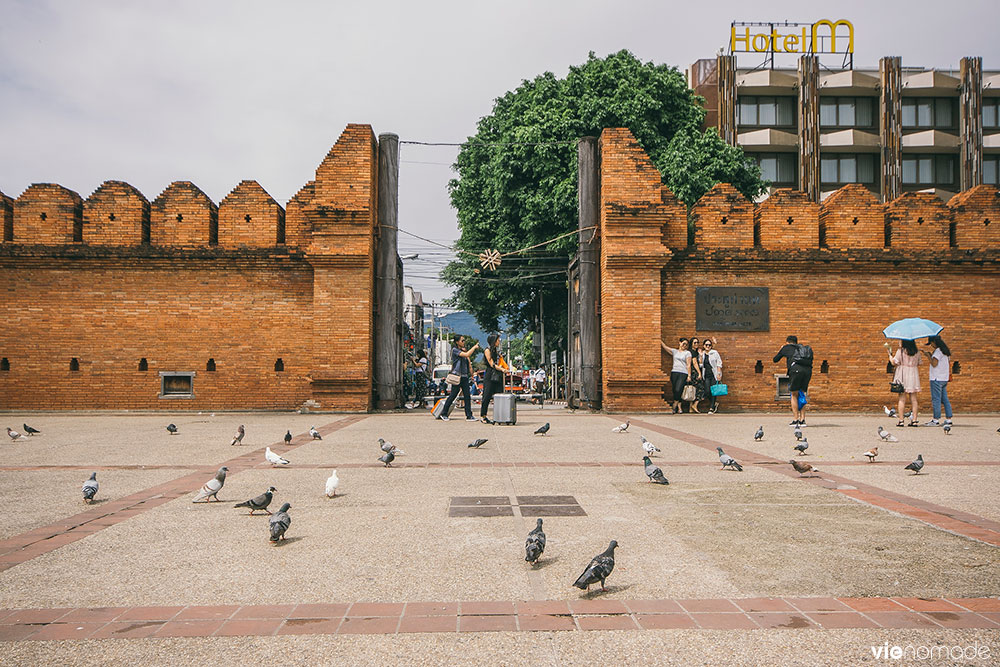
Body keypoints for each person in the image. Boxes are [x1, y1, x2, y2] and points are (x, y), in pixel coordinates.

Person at [439, 336, 480, 422]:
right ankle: (444, 413)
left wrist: (471, 374)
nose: (464, 342)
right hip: (457, 376)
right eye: (462, 340)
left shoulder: (462, 351)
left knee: (467, 396)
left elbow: (468, 362)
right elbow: (467, 354)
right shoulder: (455, 350)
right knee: (453, 395)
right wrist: (474, 347)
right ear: (457, 342)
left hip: (464, 376)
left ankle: (469, 415)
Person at [773, 335, 811, 426]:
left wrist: (782, 349)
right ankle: (803, 420)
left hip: (796, 371)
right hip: (807, 371)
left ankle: (795, 420)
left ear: (787, 342)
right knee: (802, 394)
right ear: (796, 342)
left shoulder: (786, 348)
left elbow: (775, 360)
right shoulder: (802, 348)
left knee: (794, 394)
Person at [886, 339, 922, 426]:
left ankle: (901, 420)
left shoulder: (901, 351)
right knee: (914, 399)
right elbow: (919, 363)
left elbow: (894, 362)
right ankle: (914, 420)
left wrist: (890, 355)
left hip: (902, 374)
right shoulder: (917, 352)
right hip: (913, 374)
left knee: (902, 398)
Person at [923, 336, 953, 427]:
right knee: (945, 399)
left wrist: (928, 356)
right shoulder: (945, 351)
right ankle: (948, 419)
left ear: (934, 342)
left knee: (936, 399)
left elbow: (934, 364)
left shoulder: (938, 351)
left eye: (931, 343)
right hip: (944, 378)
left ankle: (935, 420)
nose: (931, 345)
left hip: (936, 378)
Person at [480, 334, 508, 423]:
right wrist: (502, 369)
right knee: (487, 395)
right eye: (498, 340)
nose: (499, 341)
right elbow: (491, 363)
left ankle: (500, 416)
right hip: (490, 374)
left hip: (498, 374)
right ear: (493, 341)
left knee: (499, 394)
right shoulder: (487, 350)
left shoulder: (496, 351)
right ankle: (483, 416)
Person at [661, 338, 692, 414]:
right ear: (679, 343)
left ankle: (674, 405)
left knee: (679, 389)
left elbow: (688, 365)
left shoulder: (687, 353)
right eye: (683, 343)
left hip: (683, 373)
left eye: (686, 344)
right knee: (675, 390)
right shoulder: (675, 352)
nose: (684, 346)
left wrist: (689, 375)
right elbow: (665, 347)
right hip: (674, 372)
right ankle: (679, 408)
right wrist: (660, 340)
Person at [700, 337, 723, 414]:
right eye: (706, 345)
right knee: (707, 391)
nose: (708, 346)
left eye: (709, 345)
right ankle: (714, 403)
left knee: (713, 391)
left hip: (714, 374)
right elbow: (700, 365)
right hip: (706, 375)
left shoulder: (714, 352)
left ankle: (711, 407)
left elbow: (719, 363)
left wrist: (719, 374)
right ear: (703, 345)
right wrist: (700, 356)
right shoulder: (702, 354)